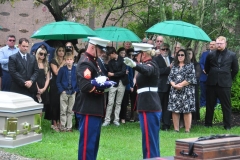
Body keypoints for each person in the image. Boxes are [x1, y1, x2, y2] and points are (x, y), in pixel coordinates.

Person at [72, 37, 110, 160]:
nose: (103, 53)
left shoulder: (96, 62)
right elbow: (85, 86)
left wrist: (105, 82)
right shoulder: (85, 62)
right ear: (93, 47)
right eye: (101, 50)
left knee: (93, 143)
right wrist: (102, 87)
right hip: (88, 108)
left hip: (95, 108)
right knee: (87, 145)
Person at [123, 43, 162, 159]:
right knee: (149, 139)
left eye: (137, 55)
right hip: (147, 105)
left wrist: (135, 65)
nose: (135, 57)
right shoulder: (148, 64)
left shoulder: (151, 65)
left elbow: (147, 70)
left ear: (143, 54)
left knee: (150, 140)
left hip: (149, 105)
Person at [204, 36, 239, 130]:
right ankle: (208, 124)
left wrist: (228, 78)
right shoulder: (210, 55)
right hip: (211, 83)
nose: (219, 45)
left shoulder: (232, 55)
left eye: (221, 43)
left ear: (225, 43)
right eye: (217, 43)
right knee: (210, 104)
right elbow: (207, 68)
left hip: (225, 84)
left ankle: (227, 125)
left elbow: (235, 69)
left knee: (226, 105)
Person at [167, 49, 197, 133]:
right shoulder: (174, 66)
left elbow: (191, 78)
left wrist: (181, 85)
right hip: (175, 91)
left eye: (182, 55)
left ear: (185, 56)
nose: (180, 56)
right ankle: (176, 129)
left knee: (186, 110)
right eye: (178, 55)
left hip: (187, 91)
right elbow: (170, 77)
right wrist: (174, 85)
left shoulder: (190, 65)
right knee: (175, 110)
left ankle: (187, 130)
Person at [102, 46, 127, 126]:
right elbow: (111, 73)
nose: (109, 57)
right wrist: (118, 73)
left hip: (122, 83)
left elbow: (123, 72)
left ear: (113, 53)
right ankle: (107, 120)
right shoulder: (110, 63)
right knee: (110, 102)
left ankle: (116, 119)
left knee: (118, 102)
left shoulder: (123, 60)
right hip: (113, 83)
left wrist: (114, 74)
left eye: (110, 55)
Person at [154, 43, 173, 131]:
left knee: (167, 106)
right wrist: (169, 68)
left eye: (166, 49)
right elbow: (158, 71)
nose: (165, 51)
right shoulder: (156, 59)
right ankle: (156, 123)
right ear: (160, 50)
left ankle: (166, 124)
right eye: (163, 49)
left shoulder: (172, 59)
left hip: (171, 86)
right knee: (158, 106)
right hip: (160, 86)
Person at [57, 53, 78, 132]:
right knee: (63, 110)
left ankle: (69, 127)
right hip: (64, 92)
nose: (69, 61)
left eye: (70, 60)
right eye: (67, 60)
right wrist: (62, 90)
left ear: (73, 60)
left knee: (70, 110)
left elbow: (78, 80)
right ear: (65, 61)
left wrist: (76, 90)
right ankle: (62, 126)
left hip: (72, 92)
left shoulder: (75, 69)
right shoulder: (62, 69)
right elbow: (58, 81)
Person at [49, 46, 66, 132]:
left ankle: (60, 122)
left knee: (61, 104)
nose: (61, 52)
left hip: (63, 85)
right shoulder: (53, 61)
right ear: (56, 52)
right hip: (55, 85)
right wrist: (62, 64)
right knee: (55, 104)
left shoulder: (66, 61)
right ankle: (54, 122)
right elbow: (56, 72)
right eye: (59, 50)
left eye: (63, 51)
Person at [118, 47, 134, 124]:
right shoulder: (117, 61)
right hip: (117, 83)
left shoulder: (127, 62)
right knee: (117, 101)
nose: (123, 55)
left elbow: (131, 75)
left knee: (124, 101)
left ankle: (123, 117)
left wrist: (131, 85)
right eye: (121, 53)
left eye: (124, 53)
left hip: (126, 84)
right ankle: (116, 117)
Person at [199, 41, 216, 107]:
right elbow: (201, 63)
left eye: (213, 44)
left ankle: (214, 109)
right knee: (203, 94)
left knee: (213, 94)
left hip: (214, 78)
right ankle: (203, 109)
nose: (211, 46)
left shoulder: (219, 54)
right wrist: (204, 69)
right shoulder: (204, 53)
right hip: (204, 77)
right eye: (210, 44)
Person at [34, 48, 50, 115]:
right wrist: (38, 89)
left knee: (42, 108)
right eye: (41, 54)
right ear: (37, 54)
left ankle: (40, 123)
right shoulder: (33, 63)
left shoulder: (46, 64)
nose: (43, 55)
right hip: (35, 85)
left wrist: (44, 89)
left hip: (43, 86)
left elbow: (48, 78)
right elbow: (33, 77)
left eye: (44, 54)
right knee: (35, 107)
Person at [187, 48, 201, 122]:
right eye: (187, 54)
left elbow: (197, 76)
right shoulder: (182, 64)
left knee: (193, 103)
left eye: (189, 53)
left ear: (193, 55)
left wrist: (187, 80)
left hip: (193, 87)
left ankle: (193, 120)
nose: (188, 55)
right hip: (183, 87)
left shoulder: (196, 64)